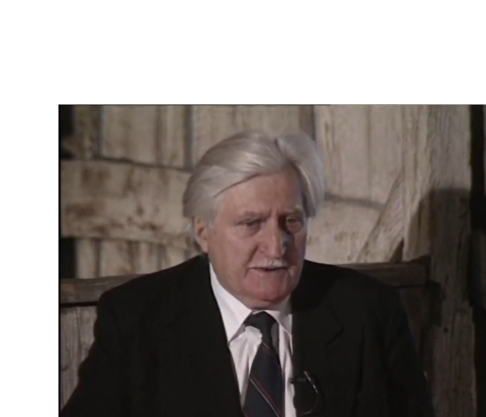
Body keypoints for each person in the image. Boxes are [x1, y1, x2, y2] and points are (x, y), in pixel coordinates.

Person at [61, 131, 434, 417]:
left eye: (291, 221)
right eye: (251, 223)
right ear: (203, 232)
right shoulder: (137, 319)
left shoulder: (367, 312)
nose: (276, 246)